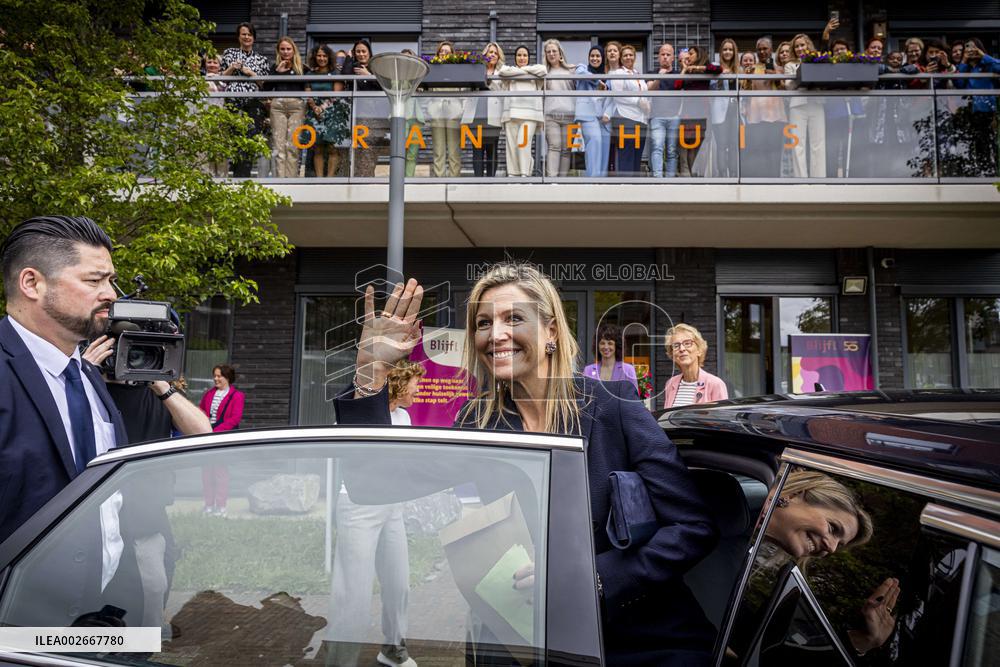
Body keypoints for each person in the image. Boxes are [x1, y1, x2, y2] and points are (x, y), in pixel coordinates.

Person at [338, 265, 719, 665]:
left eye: (513, 318)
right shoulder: (481, 422)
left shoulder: (614, 406)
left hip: (641, 641)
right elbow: (373, 482)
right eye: (483, 323)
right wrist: (371, 370)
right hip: (530, 643)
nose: (496, 334)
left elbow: (693, 526)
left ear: (551, 331)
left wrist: (599, 578)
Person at [0, 215, 128, 543]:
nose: (111, 294)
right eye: (94, 280)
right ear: (32, 283)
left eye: (111, 280)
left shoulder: (89, 377)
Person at [326, 359, 423, 667]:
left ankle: (393, 649)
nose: (418, 391)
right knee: (354, 595)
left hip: (392, 505)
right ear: (399, 384)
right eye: (415, 384)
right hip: (359, 507)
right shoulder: (362, 413)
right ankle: (342, 662)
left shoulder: (404, 417)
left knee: (399, 584)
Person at [220, 23, 270, 177]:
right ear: (238, 37)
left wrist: (251, 73)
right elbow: (222, 79)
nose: (246, 37)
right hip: (233, 101)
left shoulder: (261, 58)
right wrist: (232, 68)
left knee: (250, 139)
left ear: (253, 38)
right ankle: (235, 174)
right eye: (243, 34)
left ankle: (243, 176)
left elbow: (265, 84)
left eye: (249, 34)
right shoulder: (229, 53)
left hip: (253, 102)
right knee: (234, 138)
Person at [197, 364, 245, 516]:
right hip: (207, 436)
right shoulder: (208, 394)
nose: (215, 379)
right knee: (206, 473)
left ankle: (221, 506)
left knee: (220, 472)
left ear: (227, 378)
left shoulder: (237, 396)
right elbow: (201, 412)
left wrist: (215, 431)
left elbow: (235, 419)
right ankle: (209, 505)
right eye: (215, 375)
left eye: (219, 376)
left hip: (222, 438)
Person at [953, 37, 1000, 177]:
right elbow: (959, 84)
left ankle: (995, 171)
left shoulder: (988, 65)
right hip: (972, 111)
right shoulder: (965, 68)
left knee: (993, 142)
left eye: (973, 47)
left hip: (990, 111)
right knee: (977, 144)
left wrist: (983, 56)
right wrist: (963, 62)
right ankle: (982, 170)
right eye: (967, 48)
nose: (970, 51)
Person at [673, 45, 721, 178]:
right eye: (687, 53)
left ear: (699, 55)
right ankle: (685, 172)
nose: (688, 56)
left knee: (695, 145)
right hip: (687, 113)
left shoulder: (706, 68)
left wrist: (698, 67)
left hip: (702, 113)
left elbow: (718, 69)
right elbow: (677, 86)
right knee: (684, 144)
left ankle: (692, 172)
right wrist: (684, 68)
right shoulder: (687, 71)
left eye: (691, 53)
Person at [499, 46, 546, 177]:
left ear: (528, 58)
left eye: (525, 55)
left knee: (522, 144)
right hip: (511, 114)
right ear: (515, 58)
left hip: (529, 115)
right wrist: (524, 72)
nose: (522, 58)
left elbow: (543, 70)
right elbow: (502, 71)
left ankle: (525, 173)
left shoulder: (535, 72)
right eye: (519, 55)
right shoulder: (511, 71)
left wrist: (521, 70)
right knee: (512, 146)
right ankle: (513, 174)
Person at [264, 36, 307, 178]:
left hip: (297, 107)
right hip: (278, 107)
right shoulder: (274, 67)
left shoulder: (302, 68)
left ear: (293, 50)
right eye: (282, 49)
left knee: (293, 146)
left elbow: (308, 88)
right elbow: (265, 89)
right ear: (278, 51)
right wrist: (277, 71)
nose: (286, 52)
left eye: (288, 49)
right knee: (278, 146)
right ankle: (280, 181)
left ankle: (292, 180)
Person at [785, 33, 827, 178]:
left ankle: (819, 179)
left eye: (802, 45)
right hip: (797, 106)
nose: (799, 48)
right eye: (796, 46)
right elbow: (789, 87)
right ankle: (800, 180)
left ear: (808, 45)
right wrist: (801, 72)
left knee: (818, 143)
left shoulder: (816, 62)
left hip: (816, 103)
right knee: (797, 144)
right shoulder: (790, 65)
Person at [345, 40, 387, 177]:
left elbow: (385, 87)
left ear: (369, 53)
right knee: (357, 152)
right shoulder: (352, 67)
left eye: (364, 51)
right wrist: (348, 58)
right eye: (358, 51)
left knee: (369, 152)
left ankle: (367, 181)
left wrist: (368, 76)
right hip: (356, 117)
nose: (361, 54)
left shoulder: (377, 67)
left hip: (375, 118)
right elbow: (343, 77)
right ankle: (358, 180)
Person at [306, 45, 350, 178]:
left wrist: (322, 107)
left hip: (333, 113)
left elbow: (336, 94)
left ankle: (330, 179)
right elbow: (308, 93)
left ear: (329, 57)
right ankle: (319, 179)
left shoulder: (336, 73)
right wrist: (315, 108)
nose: (321, 58)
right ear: (315, 57)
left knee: (332, 147)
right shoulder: (310, 74)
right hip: (315, 114)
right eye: (319, 55)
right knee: (317, 148)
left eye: (324, 56)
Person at [663, 323, 728, 408]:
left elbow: (722, 419)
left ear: (699, 350)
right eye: (676, 345)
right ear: (672, 354)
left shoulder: (715, 384)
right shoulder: (670, 384)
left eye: (687, 343)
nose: (682, 349)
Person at [607, 44, 649, 176]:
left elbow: (644, 94)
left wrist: (647, 105)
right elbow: (617, 95)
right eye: (625, 55)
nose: (628, 57)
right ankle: (625, 187)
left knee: (637, 156)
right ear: (621, 58)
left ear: (635, 57)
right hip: (626, 119)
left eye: (631, 55)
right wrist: (638, 102)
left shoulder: (638, 74)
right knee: (626, 155)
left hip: (641, 120)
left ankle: (635, 189)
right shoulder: (618, 73)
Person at [426, 41, 465, 178]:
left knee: (454, 151)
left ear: (452, 55)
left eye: (447, 52)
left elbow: (464, 92)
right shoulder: (432, 69)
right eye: (441, 51)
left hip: (453, 112)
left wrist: (462, 110)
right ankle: (439, 180)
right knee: (438, 150)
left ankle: (454, 180)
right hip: (436, 112)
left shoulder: (459, 70)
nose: (443, 54)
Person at [575, 46, 610, 177]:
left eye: (598, 56)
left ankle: (602, 182)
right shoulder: (582, 68)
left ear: (602, 58)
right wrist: (598, 81)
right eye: (592, 56)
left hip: (604, 118)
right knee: (594, 143)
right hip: (588, 115)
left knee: (604, 151)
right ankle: (592, 181)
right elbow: (579, 74)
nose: (595, 58)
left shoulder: (607, 75)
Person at [542, 39, 575, 177]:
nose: (551, 54)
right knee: (554, 146)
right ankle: (552, 181)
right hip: (551, 116)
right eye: (548, 51)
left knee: (566, 150)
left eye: (554, 51)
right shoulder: (544, 73)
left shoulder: (571, 70)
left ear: (560, 53)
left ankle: (563, 181)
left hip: (569, 115)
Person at [647, 43, 681, 178]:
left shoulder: (678, 74)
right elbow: (649, 90)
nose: (665, 57)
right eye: (663, 54)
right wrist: (659, 77)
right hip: (657, 117)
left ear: (673, 57)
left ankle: (670, 181)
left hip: (674, 116)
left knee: (672, 150)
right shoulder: (652, 73)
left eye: (668, 54)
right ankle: (658, 180)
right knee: (657, 148)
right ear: (658, 57)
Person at [473, 42, 505, 177]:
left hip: (493, 115)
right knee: (477, 149)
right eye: (490, 52)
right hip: (477, 114)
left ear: (498, 57)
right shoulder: (476, 70)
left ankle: (491, 179)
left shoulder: (502, 72)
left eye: (495, 53)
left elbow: (503, 92)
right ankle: (478, 179)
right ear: (485, 54)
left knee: (492, 149)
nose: (492, 55)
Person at [582, 324, 638, 392]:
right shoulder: (588, 370)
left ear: (617, 346)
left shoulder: (628, 370)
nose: (606, 347)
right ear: (597, 346)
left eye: (610, 343)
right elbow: (585, 397)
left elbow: (633, 399)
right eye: (602, 343)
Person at [203, 55, 229, 177]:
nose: (212, 64)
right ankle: (207, 177)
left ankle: (222, 178)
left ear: (220, 65)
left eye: (215, 62)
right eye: (209, 62)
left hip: (221, 117)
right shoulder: (200, 79)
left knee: (221, 150)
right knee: (206, 149)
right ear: (205, 64)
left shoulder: (225, 79)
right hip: (204, 117)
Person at [604, 41, 623, 174]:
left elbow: (617, 97)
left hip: (618, 114)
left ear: (619, 54)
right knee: (609, 146)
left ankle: (618, 174)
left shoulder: (622, 72)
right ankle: (610, 173)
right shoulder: (605, 72)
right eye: (609, 51)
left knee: (619, 145)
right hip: (606, 116)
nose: (612, 53)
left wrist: (608, 113)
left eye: (615, 50)